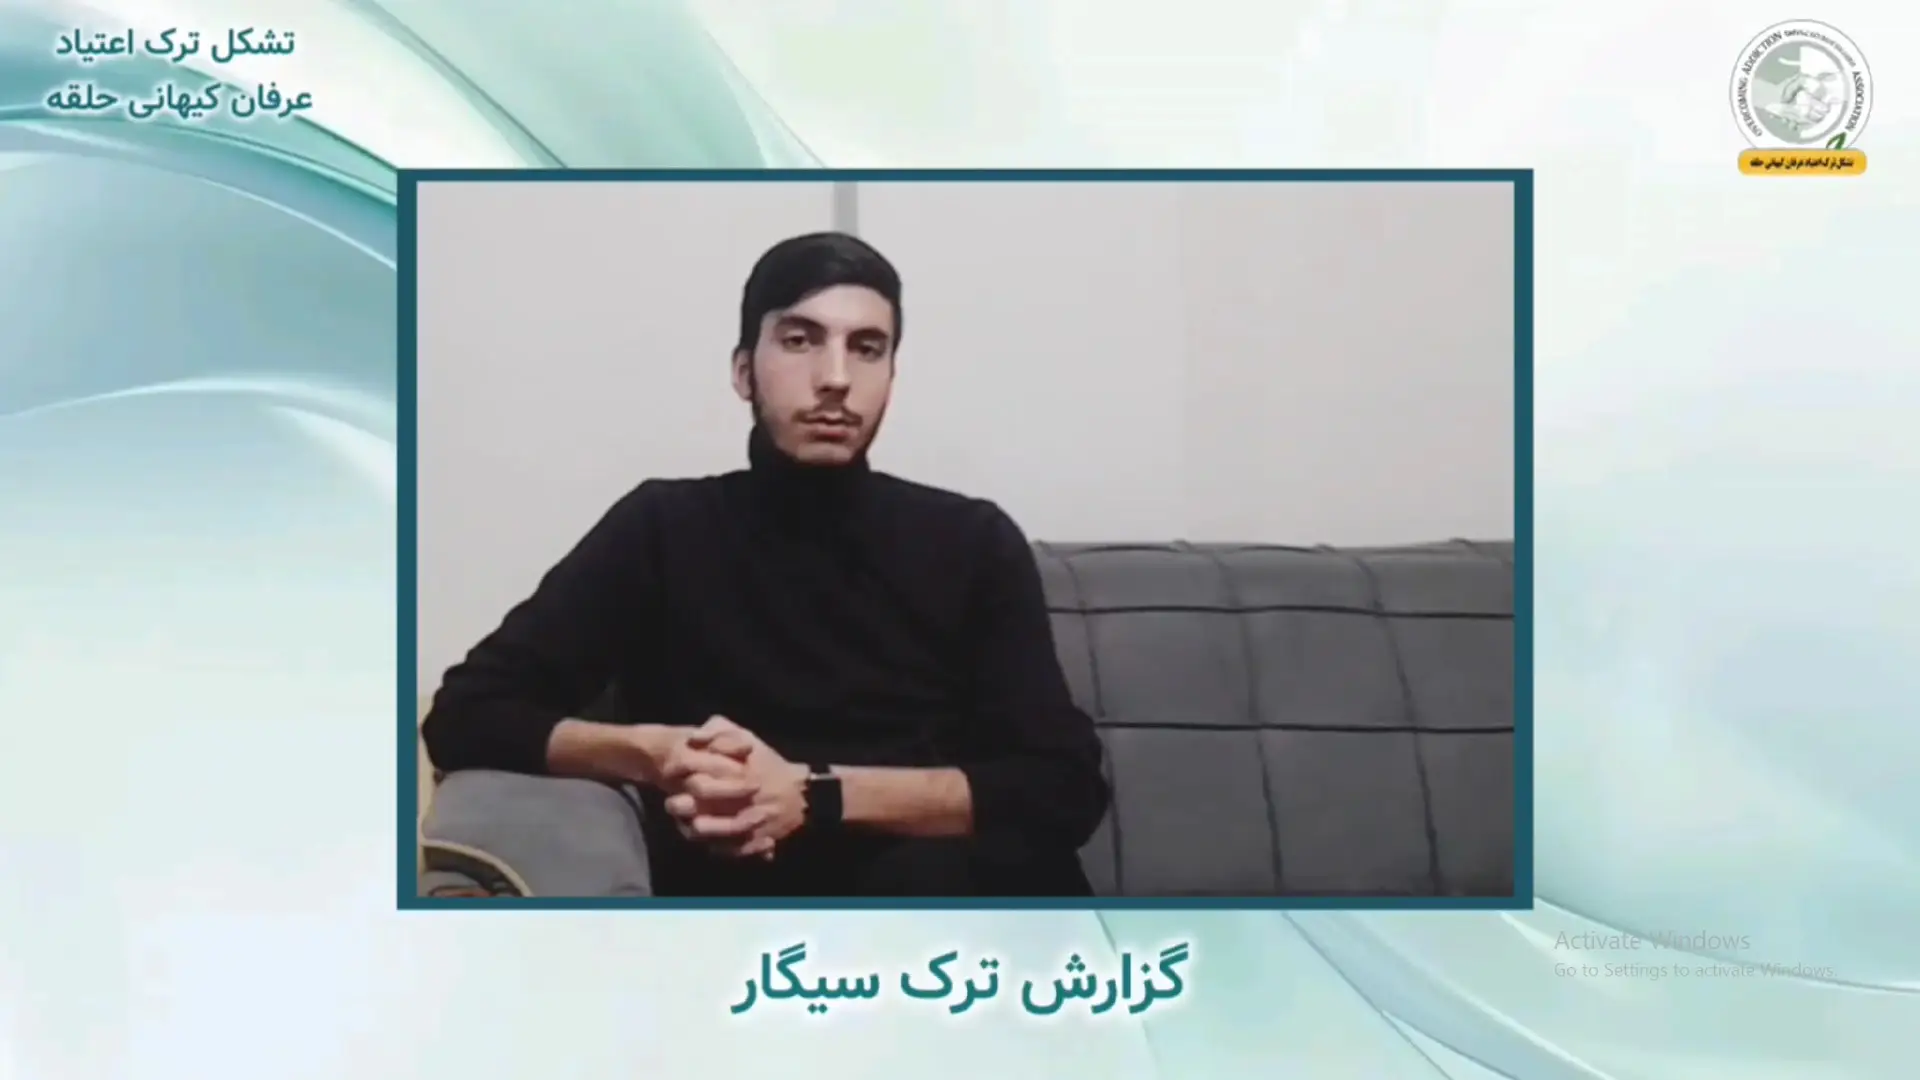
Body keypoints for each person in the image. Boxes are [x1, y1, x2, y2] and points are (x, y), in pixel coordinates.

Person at [421, 231, 1109, 897]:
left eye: (867, 348)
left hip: (959, 904)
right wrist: (657, 755)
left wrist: (815, 794)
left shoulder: (972, 540)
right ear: (744, 370)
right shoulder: (663, 528)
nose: (835, 379)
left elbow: (1063, 786)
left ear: (892, 375)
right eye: (800, 340)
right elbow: (467, 714)